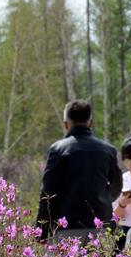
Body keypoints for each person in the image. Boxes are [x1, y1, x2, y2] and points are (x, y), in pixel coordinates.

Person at [36, 100, 123, 243]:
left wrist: (42, 230)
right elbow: (116, 186)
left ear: (66, 124)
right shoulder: (108, 150)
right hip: (100, 226)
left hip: (65, 228)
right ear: (91, 123)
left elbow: (47, 192)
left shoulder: (58, 150)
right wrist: (103, 199)